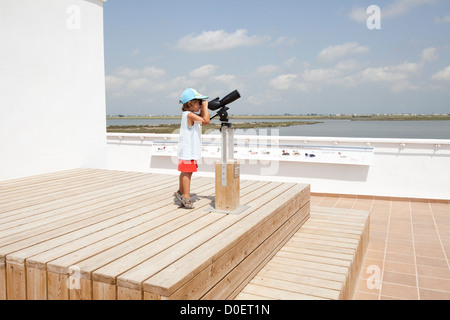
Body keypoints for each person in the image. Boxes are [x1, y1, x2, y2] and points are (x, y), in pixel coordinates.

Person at [174, 88, 210, 209]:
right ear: (190, 103)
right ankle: (186, 196)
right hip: (188, 150)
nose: (200, 104)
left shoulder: (189, 115)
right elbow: (206, 121)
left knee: (185, 172)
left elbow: (201, 118)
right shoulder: (189, 115)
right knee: (187, 173)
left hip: (186, 150)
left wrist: (202, 107)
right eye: (198, 102)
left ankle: (180, 192)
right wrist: (206, 106)